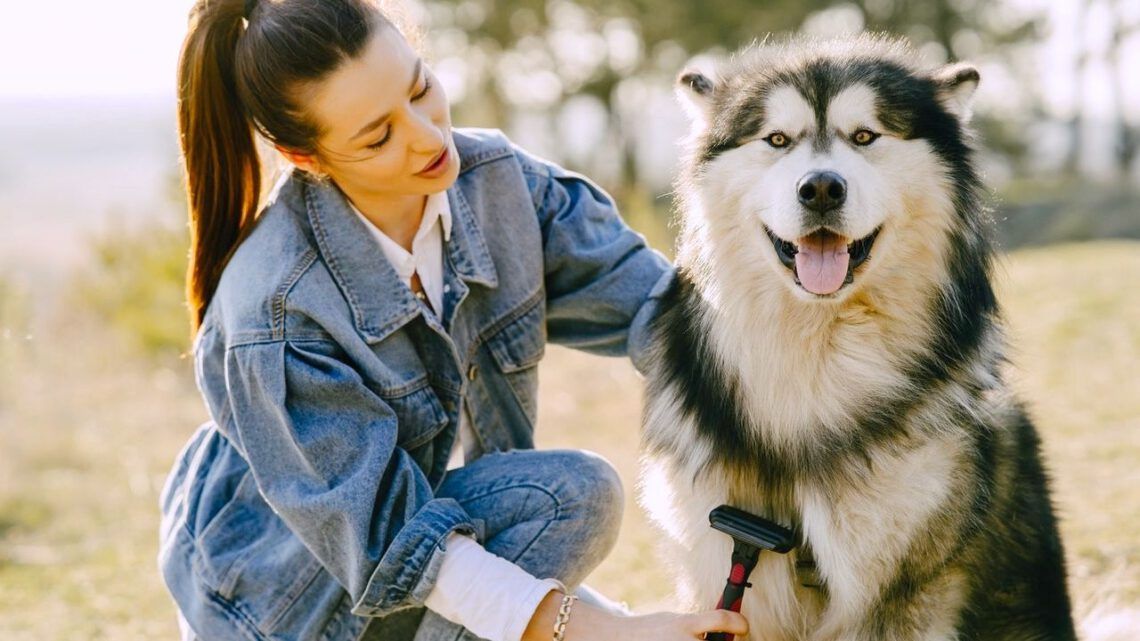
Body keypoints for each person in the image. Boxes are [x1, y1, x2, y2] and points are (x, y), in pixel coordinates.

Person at [158, 0, 750, 640]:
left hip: (408, 559)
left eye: (421, 89)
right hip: (279, 609)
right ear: (307, 158)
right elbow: (390, 543)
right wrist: (602, 630)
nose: (428, 137)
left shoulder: (499, 186)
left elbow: (666, 314)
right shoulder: (274, 311)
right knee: (570, 499)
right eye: (378, 136)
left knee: (566, 503)